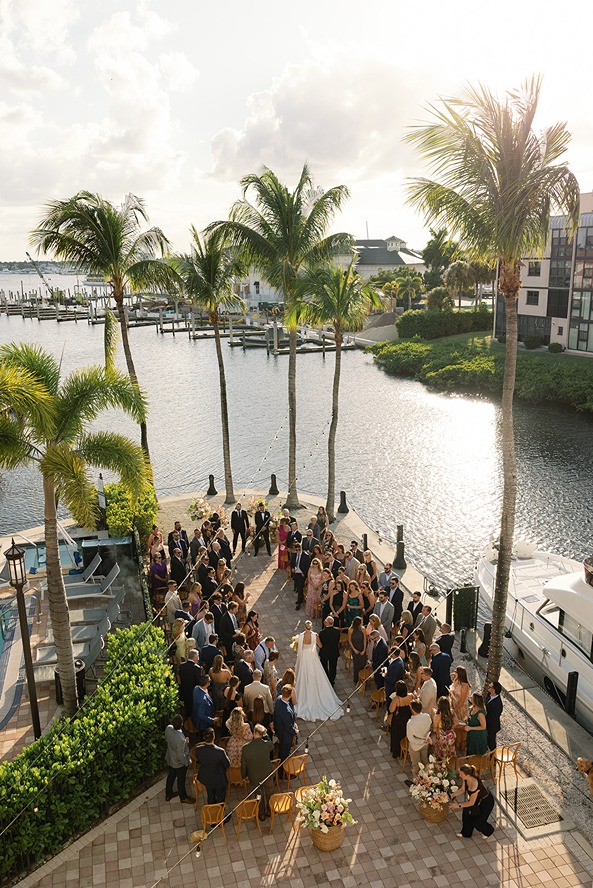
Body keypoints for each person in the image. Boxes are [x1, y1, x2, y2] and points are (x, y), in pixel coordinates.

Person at [295, 620, 343, 721]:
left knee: (305, 673)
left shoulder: (301, 636)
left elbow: (299, 648)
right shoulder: (315, 635)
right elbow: (320, 645)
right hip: (312, 656)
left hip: (304, 657)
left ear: (304, 627)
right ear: (311, 627)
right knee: (316, 673)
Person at [450, 763, 495, 839]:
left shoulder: (474, 785)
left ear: (467, 775)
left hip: (486, 802)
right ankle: (466, 833)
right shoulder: (466, 779)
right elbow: (463, 789)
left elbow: (471, 803)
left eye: (461, 774)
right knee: (466, 813)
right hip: (477, 799)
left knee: (478, 822)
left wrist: (458, 805)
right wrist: (452, 795)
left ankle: (488, 831)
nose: (460, 776)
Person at [241, 723, 275, 820]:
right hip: (267, 774)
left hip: (254, 776)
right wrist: (266, 735)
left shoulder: (246, 748)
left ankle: (261, 814)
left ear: (254, 733)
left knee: (258, 795)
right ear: (263, 734)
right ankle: (269, 810)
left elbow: (243, 764)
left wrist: (244, 775)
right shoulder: (267, 745)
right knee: (269, 793)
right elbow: (271, 744)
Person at [194, 727, 230, 804]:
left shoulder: (198, 749)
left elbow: (198, 759)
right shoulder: (220, 752)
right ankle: (220, 814)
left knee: (210, 796)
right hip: (219, 779)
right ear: (214, 737)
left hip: (206, 777)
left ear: (204, 737)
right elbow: (227, 765)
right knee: (220, 799)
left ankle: (212, 811)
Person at [164, 714, 193, 803]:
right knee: (181, 780)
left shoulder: (168, 728)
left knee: (171, 776)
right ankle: (183, 797)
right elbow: (181, 755)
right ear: (181, 724)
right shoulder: (180, 739)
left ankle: (168, 795)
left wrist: (184, 743)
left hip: (171, 758)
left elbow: (167, 740)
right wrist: (185, 762)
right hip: (179, 763)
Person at [274, 685, 299, 775]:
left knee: (283, 752)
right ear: (290, 694)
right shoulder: (286, 711)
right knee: (284, 754)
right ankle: (281, 773)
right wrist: (295, 731)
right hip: (285, 736)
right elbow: (288, 727)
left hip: (280, 729)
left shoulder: (279, 699)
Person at [405, 700, 432, 775]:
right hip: (425, 742)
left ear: (413, 710)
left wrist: (421, 741)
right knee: (425, 761)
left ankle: (417, 782)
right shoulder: (427, 716)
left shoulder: (410, 723)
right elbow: (429, 727)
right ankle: (427, 779)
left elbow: (410, 738)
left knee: (415, 765)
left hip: (415, 746)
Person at [389, 680, 414, 759]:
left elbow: (391, 710)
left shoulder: (397, 699)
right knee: (405, 734)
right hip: (407, 718)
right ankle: (405, 750)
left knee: (396, 735)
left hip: (398, 720)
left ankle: (397, 752)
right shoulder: (410, 696)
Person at [431, 696, 457, 764]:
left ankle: (442, 766)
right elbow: (456, 722)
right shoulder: (452, 712)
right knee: (450, 752)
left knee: (441, 754)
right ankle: (450, 764)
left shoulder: (437, 717)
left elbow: (434, 729)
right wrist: (451, 728)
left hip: (442, 738)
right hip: (451, 736)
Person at [178, 649, 202, 717]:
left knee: (187, 710)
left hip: (184, 691)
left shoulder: (181, 666)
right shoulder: (196, 668)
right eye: (197, 656)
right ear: (195, 657)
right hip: (194, 693)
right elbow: (199, 681)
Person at [318, 615, 341, 686]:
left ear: (326, 623)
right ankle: (331, 681)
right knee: (333, 667)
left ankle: (326, 679)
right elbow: (338, 640)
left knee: (324, 666)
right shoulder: (337, 631)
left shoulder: (322, 633)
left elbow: (320, 643)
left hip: (324, 652)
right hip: (334, 652)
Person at [291, 542, 310, 611]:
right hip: (296, 573)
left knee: (300, 588)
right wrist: (292, 568)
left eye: (299, 549)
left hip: (301, 574)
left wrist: (304, 573)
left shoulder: (305, 556)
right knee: (297, 586)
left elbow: (308, 566)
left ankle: (299, 602)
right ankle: (300, 599)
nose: (298, 551)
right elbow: (292, 562)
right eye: (296, 550)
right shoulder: (294, 554)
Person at [348, 615, 367, 685]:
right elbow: (349, 640)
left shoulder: (363, 629)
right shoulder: (350, 629)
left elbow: (365, 639)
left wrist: (364, 649)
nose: (362, 624)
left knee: (362, 664)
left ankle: (362, 680)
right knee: (356, 664)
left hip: (361, 647)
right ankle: (356, 679)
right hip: (355, 648)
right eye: (361, 622)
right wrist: (354, 649)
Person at [485, 681, 503, 750]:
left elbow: (493, 718)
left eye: (490, 687)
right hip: (486, 723)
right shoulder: (489, 694)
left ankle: (493, 757)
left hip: (491, 726)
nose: (488, 687)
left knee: (491, 742)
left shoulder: (498, 704)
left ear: (494, 690)